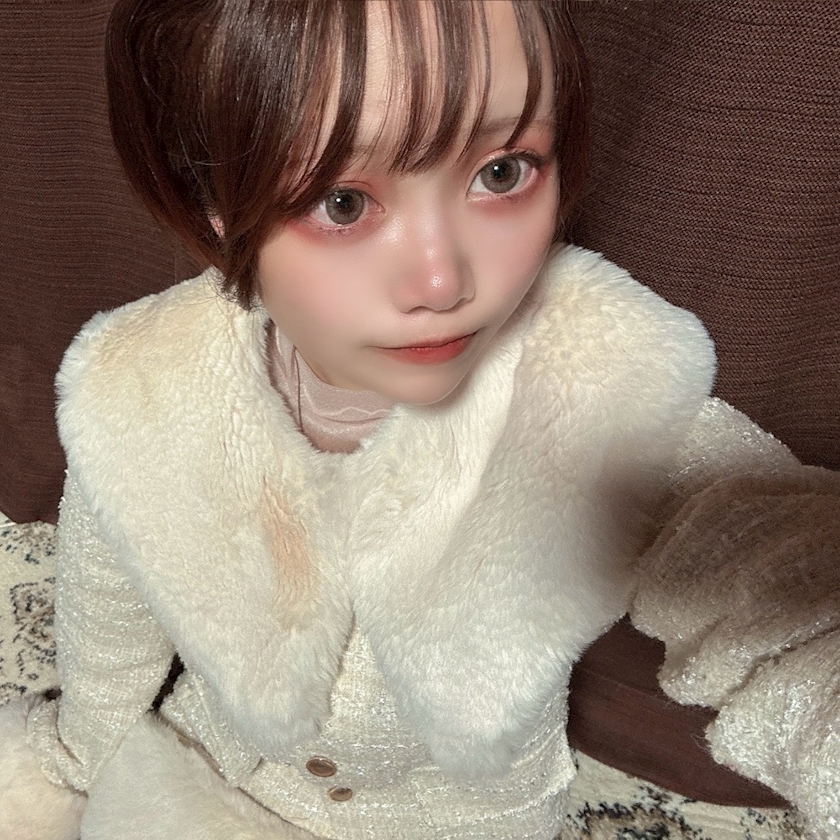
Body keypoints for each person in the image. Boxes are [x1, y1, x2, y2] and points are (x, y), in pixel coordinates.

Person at [0, 1, 834, 838]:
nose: (444, 281)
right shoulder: (136, 383)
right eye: (341, 202)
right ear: (212, 205)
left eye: (502, 172)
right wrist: (74, 762)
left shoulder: (596, 375)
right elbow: (109, 610)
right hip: (212, 782)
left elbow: (765, 560)